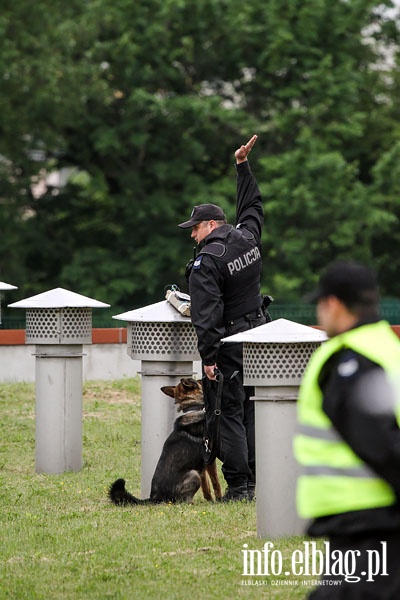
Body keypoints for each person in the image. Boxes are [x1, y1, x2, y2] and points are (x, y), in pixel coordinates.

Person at [294, 260, 400, 598]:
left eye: (320, 306)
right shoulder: (388, 348)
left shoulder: (349, 361)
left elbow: (380, 443)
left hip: (368, 522)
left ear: (334, 304)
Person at [178, 134, 268, 501]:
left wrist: (209, 357)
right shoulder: (247, 238)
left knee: (227, 413)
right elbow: (253, 207)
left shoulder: (206, 262)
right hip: (258, 335)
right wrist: (242, 167)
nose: (193, 236)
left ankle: (240, 486)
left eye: (195, 228)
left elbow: (207, 313)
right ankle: (261, 476)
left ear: (212, 225)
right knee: (252, 407)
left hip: (228, 344)